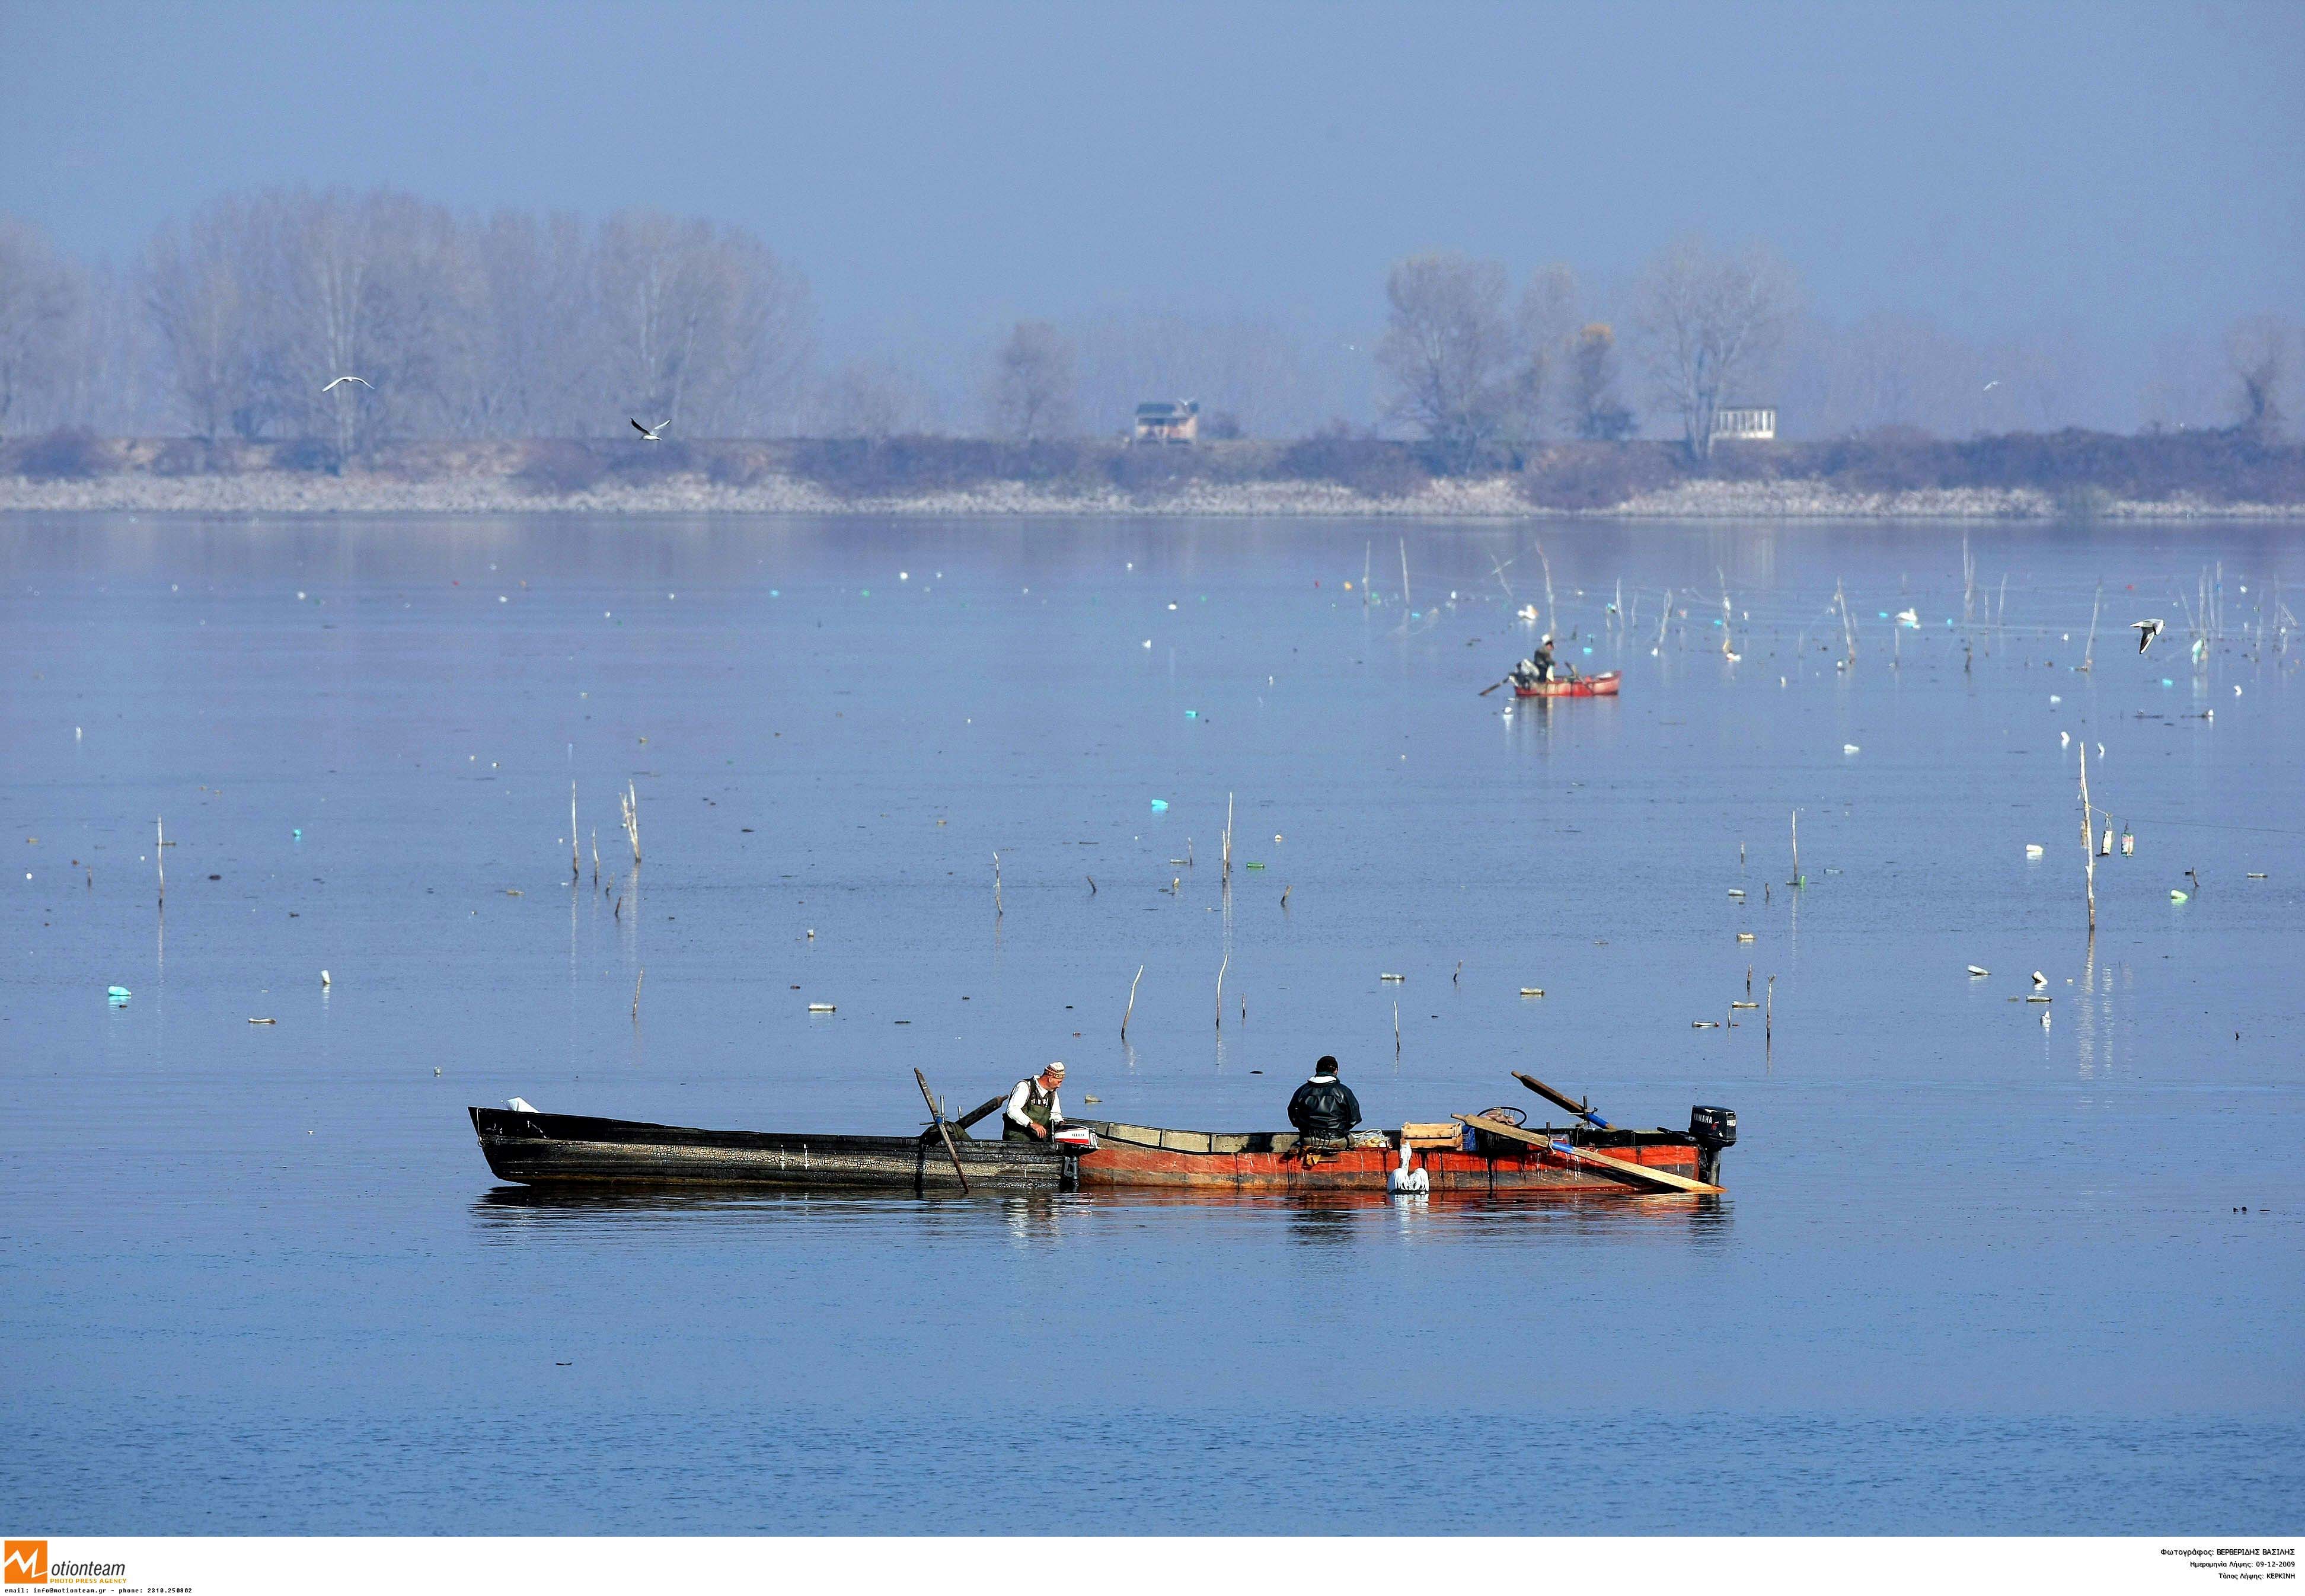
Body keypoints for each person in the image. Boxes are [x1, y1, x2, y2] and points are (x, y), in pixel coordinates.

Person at [1286, 1055, 1362, 1139]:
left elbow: (1292, 1113)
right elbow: (1354, 1119)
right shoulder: (1343, 1091)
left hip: (1308, 1138)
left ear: (1316, 1070)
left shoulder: (1302, 1090)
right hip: (1336, 1138)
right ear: (1336, 1071)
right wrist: (1342, 1129)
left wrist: (1303, 1128)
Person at [1003, 1061, 1066, 1142]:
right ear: (1050, 1079)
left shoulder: (1052, 1093)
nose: (1059, 1086)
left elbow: (1055, 1114)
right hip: (1017, 1138)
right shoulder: (1025, 1086)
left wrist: (1061, 1124)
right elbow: (1012, 1110)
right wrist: (1032, 1124)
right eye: (1059, 1082)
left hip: (1038, 1139)